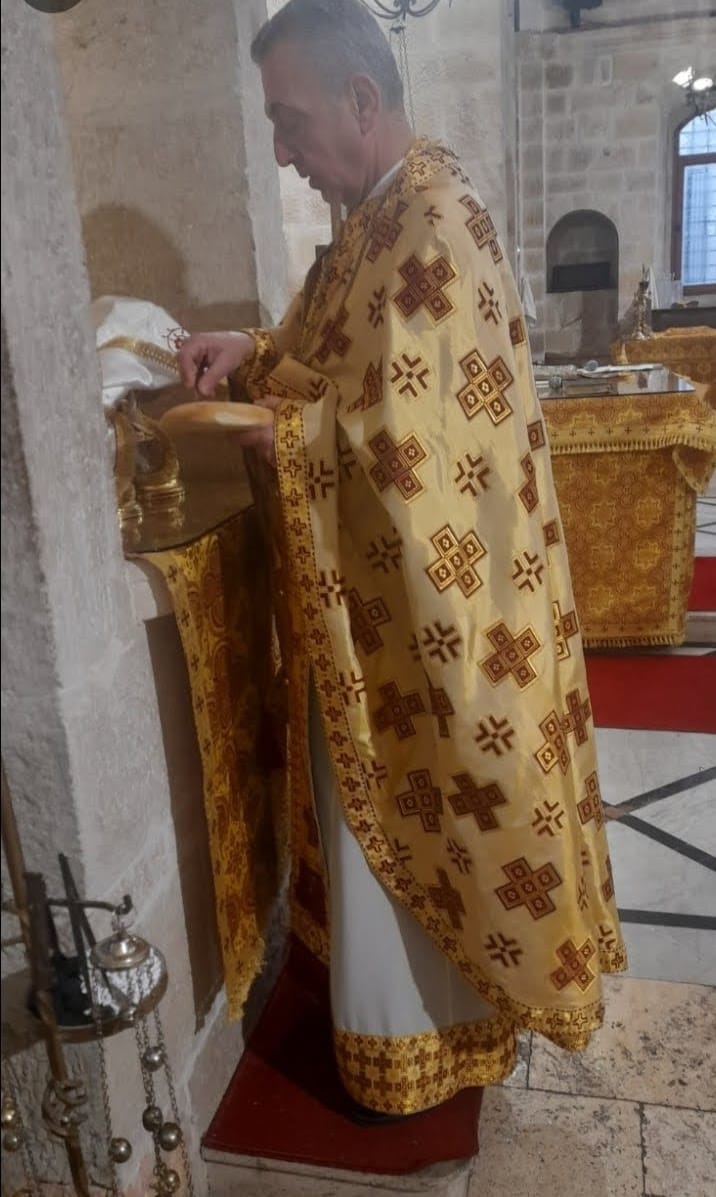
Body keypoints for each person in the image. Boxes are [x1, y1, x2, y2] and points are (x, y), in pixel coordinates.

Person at [179, 0, 626, 1121]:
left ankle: (434, 1029)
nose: (280, 150)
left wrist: (272, 434)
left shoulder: (433, 222)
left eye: (288, 120)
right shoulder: (373, 216)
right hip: (378, 610)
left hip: (445, 618)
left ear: (360, 100)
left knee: (440, 803)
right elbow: (332, 356)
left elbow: (411, 447)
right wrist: (254, 349)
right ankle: (390, 1029)